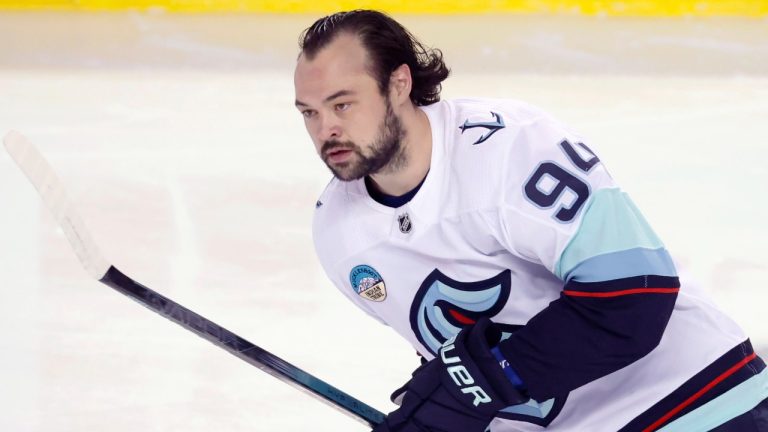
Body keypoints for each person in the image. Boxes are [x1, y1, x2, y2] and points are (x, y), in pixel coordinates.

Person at [293, 9, 768, 431]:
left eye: (343, 105)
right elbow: (460, 361)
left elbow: (636, 295)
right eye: (310, 113)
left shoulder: (508, 148)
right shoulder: (340, 232)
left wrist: (482, 384)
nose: (325, 130)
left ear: (399, 84)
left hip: (697, 401)